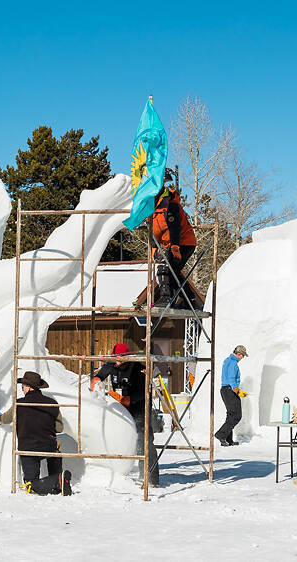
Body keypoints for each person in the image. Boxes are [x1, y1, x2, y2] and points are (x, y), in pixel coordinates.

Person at [91, 343, 159, 486]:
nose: (118, 361)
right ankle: (119, 471)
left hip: (139, 408)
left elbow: (144, 392)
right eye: (116, 357)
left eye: (122, 358)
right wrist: (96, 380)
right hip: (122, 409)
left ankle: (150, 477)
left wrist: (128, 399)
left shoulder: (138, 369)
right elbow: (101, 374)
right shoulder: (112, 365)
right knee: (119, 438)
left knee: (143, 439)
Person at [0, 371, 71, 496]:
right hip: (49, 445)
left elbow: (5, 419)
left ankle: (56, 482)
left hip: (28, 447)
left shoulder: (19, 404)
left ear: (29, 387)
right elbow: (59, 428)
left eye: (22, 387)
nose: (22, 390)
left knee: (30, 484)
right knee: (55, 450)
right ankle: (58, 478)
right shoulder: (52, 403)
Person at [151, 172, 197, 309]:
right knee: (173, 272)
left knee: (166, 268)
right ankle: (189, 300)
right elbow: (151, 228)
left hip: (183, 242)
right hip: (170, 243)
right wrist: (154, 246)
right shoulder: (151, 206)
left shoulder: (170, 202)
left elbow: (175, 226)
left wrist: (175, 247)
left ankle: (166, 299)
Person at [215, 345, 248, 446]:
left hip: (225, 390)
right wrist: (237, 390)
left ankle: (228, 440)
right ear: (239, 354)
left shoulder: (227, 360)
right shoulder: (233, 363)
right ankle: (221, 434)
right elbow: (231, 378)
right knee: (236, 415)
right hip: (230, 390)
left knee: (231, 414)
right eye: (242, 356)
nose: (242, 358)